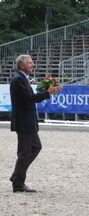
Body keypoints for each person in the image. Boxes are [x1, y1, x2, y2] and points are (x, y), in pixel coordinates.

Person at [9, 55, 62, 193]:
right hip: (24, 122)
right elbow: (29, 99)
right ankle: (18, 183)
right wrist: (47, 92)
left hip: (28, 121)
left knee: (36, 147)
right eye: (30, 63)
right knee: (25, 153)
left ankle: (17, 175)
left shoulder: (21, 78)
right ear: (22, 65)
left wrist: (49, 92)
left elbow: (29, 98)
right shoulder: (18, 79)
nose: (32, 65)